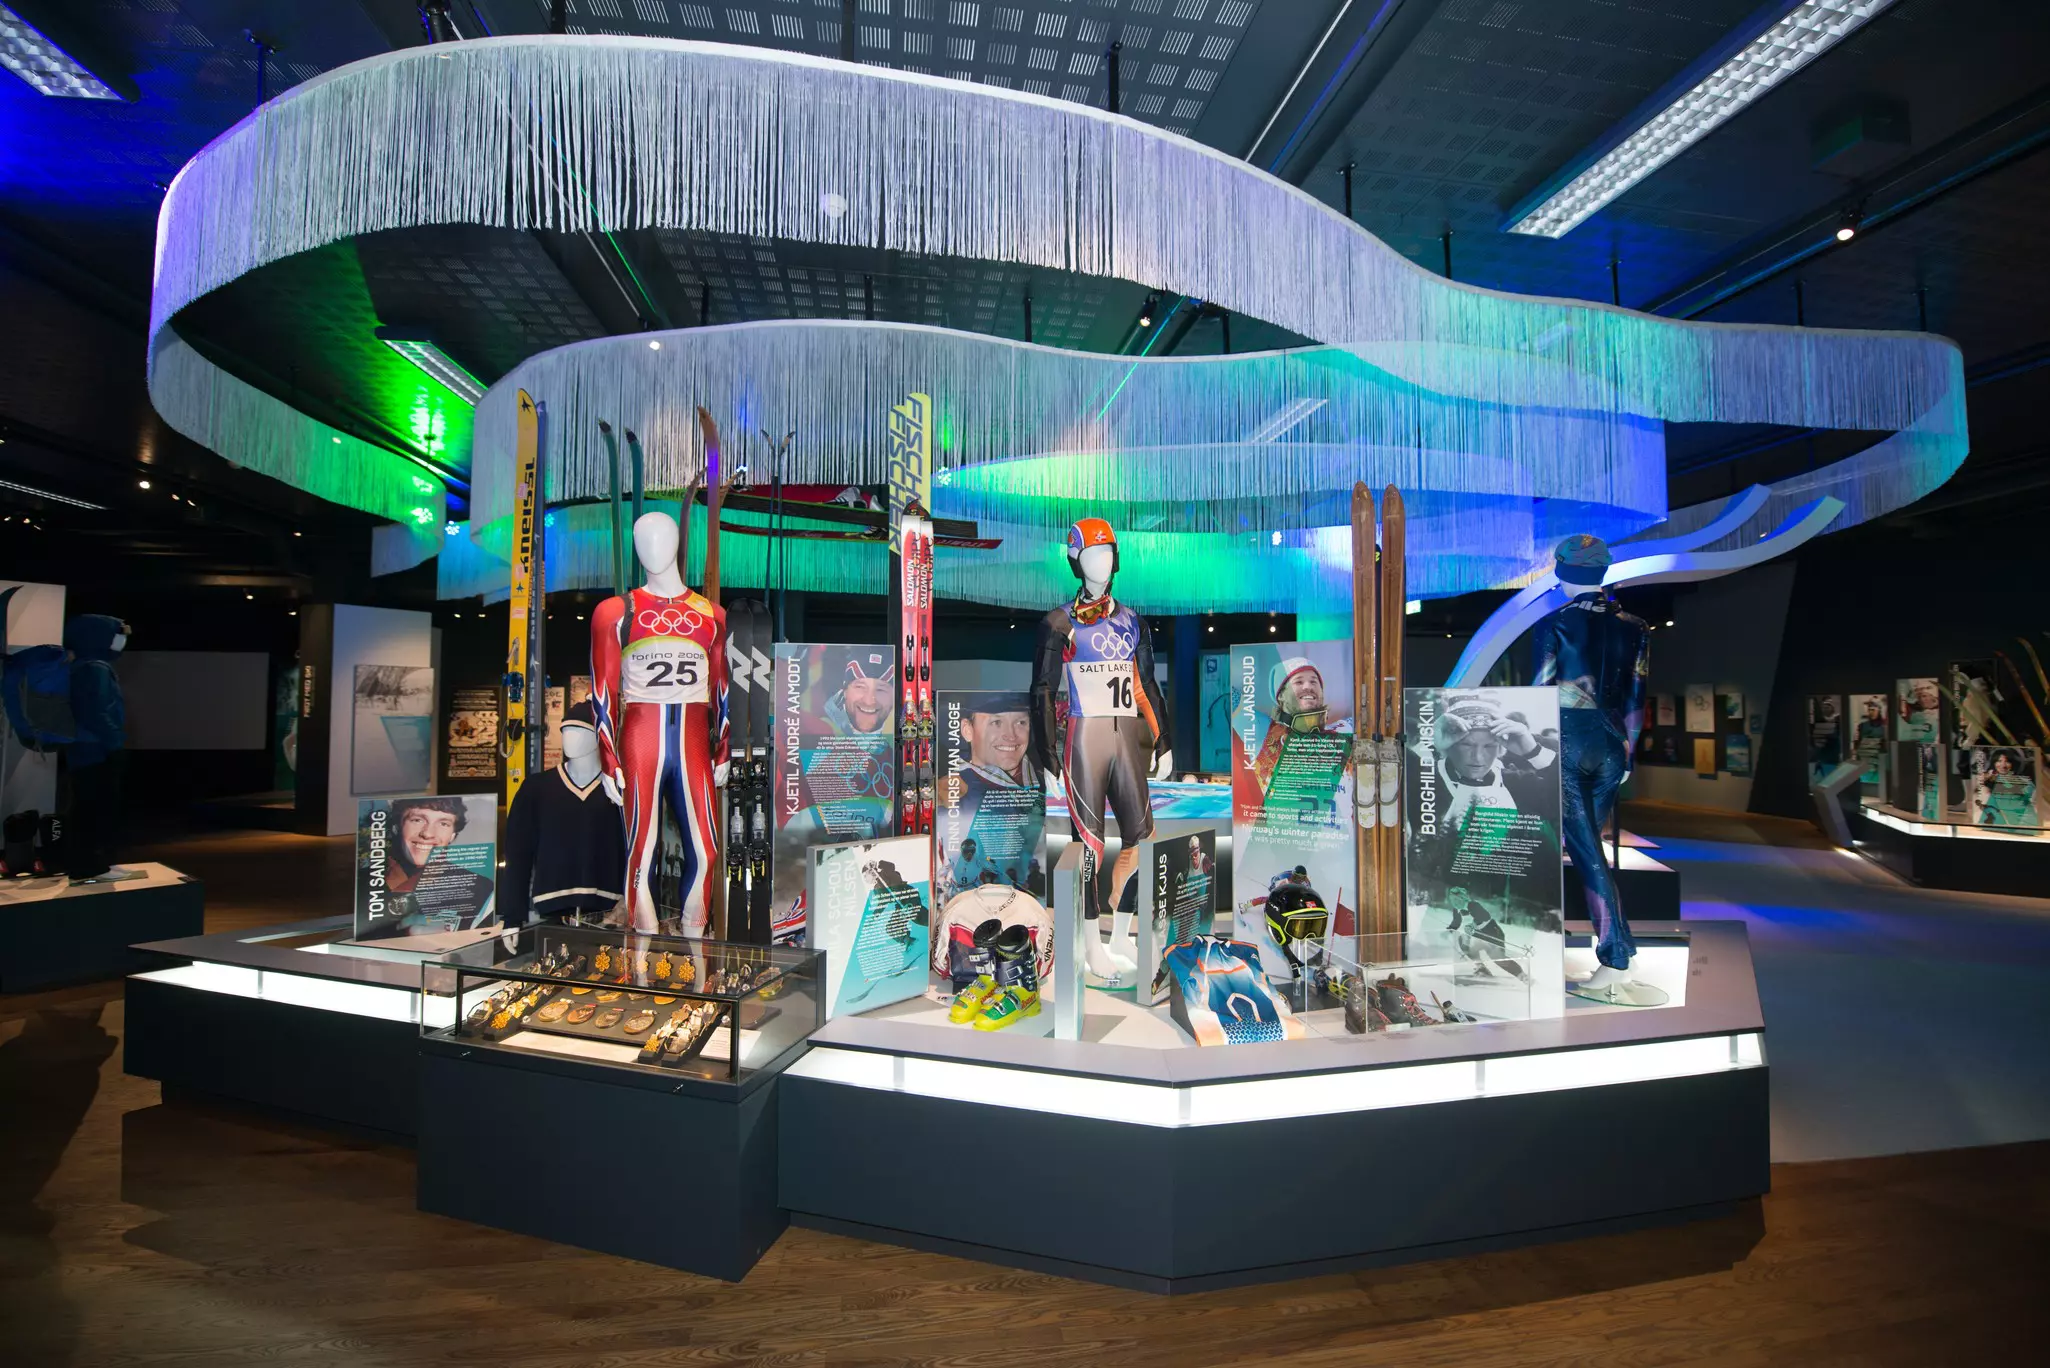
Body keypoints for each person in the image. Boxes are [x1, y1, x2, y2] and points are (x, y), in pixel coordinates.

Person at [1532, 533, 1649, 995]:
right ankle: (1614, 953)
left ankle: (1617, 955)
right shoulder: (1635, 626)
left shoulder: (1554, 623)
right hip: (1613, 742)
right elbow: (1638, 696)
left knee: (1585, 851)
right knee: (1588, 851)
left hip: (1567, 740)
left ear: (1563, 572)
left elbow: (1540, 693)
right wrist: (1628, 755)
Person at [387, 797, 496, 930]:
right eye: (417, 820)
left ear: (453, 835)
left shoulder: (481, 888)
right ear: (397, 827)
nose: (427, 834)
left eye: (443, 823)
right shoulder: (367, 882)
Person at [822, 648, 893, 734]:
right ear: (844, 690)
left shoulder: (899, 725)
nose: (869, 701)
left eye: (880, 690)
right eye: (860, 687)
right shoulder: (820, 727)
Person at [1974, 748, 2037, 827]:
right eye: (1999, 761)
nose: (2003, 765)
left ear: (2014, 763)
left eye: (2007, 761)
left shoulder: (2025, 783)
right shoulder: (1990, 781)